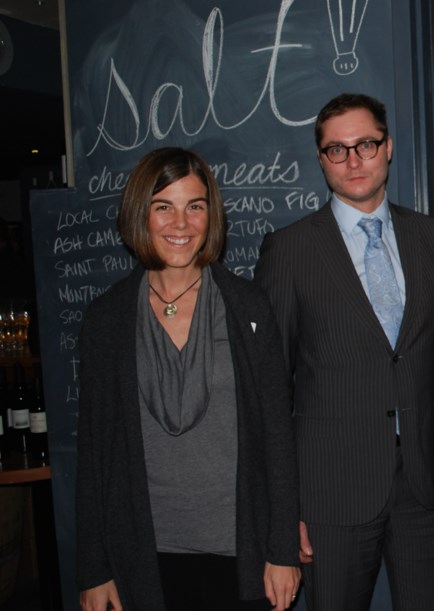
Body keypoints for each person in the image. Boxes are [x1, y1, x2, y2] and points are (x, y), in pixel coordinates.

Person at [254, 92, 434, 611]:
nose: (353, 161)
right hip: (330, 494)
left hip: (424, 488)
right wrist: (284, 512)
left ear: (388, 147)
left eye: (366, 145)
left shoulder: (432, 238)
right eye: (337, 150)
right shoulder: (289, 250)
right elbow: (269, 392)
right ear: (321, 159)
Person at [76, 147, 301, 611]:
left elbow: (278, 436)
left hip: (240, 552)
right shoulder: (107, 319)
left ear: (210, 215)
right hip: (142, 555)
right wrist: (93, 568)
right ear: (141, 213)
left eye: (194, 206)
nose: (181, 224)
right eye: (164, 207)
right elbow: (94, 452)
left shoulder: (248, 309)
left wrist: (282, 551)